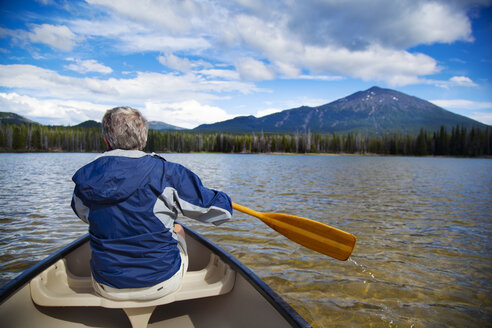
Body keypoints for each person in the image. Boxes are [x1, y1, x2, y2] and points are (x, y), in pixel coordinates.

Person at [71, 106, 232, 301]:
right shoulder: (168, 172)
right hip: (161, 283)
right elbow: (220, 212)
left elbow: (85, 216)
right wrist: (222, 198)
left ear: (106, 140)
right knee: (178, 228)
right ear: (143, 139)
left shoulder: (86, 179)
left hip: (106, 285)